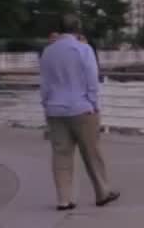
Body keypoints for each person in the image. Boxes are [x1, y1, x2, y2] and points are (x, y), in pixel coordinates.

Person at [39, 14, 119, 211]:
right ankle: (102, 192)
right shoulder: (83, 49)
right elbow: (92, 78)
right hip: (81, 107)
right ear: (78, 29)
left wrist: (46, 103)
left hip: (55, 108)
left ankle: (64, 199)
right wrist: (93, 102)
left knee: (61, 154)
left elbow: (45, 82)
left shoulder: (48, 52)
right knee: (92, 152)